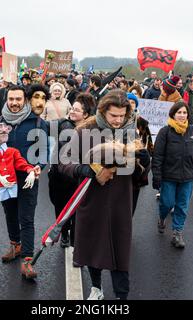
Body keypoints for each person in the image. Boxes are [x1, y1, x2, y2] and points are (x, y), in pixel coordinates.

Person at [58, 90, 151, 300]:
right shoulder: (84, 132)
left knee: (121, 250)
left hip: (121, 202)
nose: (118, 120)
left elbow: (141, 173)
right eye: (113, 116)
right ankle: (96, 288)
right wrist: (87, 171)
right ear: (103, 112)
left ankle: (122, 296)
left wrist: (145, 161)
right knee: (93, 247)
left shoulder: (131, 133)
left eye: (122, 116)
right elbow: (64, 162)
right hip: (92, 201)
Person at [0, 85, 48, 280]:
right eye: (11, 99)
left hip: (28, 179)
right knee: (10, 214)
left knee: (26, 218)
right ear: (6, 100)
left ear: (25, 100)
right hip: (5, 179)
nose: (14, 103)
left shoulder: (38, 123)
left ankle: (27, 261)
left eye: (18, 99)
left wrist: (38, 168)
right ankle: (15, 246)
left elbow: (44, 153)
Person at [152, 101, 193, 248]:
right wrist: (156, 176)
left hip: (187, 177)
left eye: (184, 112)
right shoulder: (165, 132)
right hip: (168, 176)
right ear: (173, 114)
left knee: (182, 206)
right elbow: (157, 156)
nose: (182, 115)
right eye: (179, 112)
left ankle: (177, 233)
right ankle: (162, 218)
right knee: (167, 203)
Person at [48, 93, 94, 250]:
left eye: (77, 110)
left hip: (77, 176)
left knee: (77, 208)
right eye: (72, 109)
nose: (72, 112)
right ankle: (64, 231)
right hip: (58, 174)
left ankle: (74, 237)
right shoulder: (63, 124)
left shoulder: (91, 130)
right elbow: (43, 126)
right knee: (59, 205)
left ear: (86, 114)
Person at [127, 93, 153, 216]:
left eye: (133, 102)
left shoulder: (142, 122)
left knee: (131, 205)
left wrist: (146, 156)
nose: (130, 105)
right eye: (128, 102)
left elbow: (148, 143)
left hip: (138, 166)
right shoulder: (118, 119)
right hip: (122, 163)